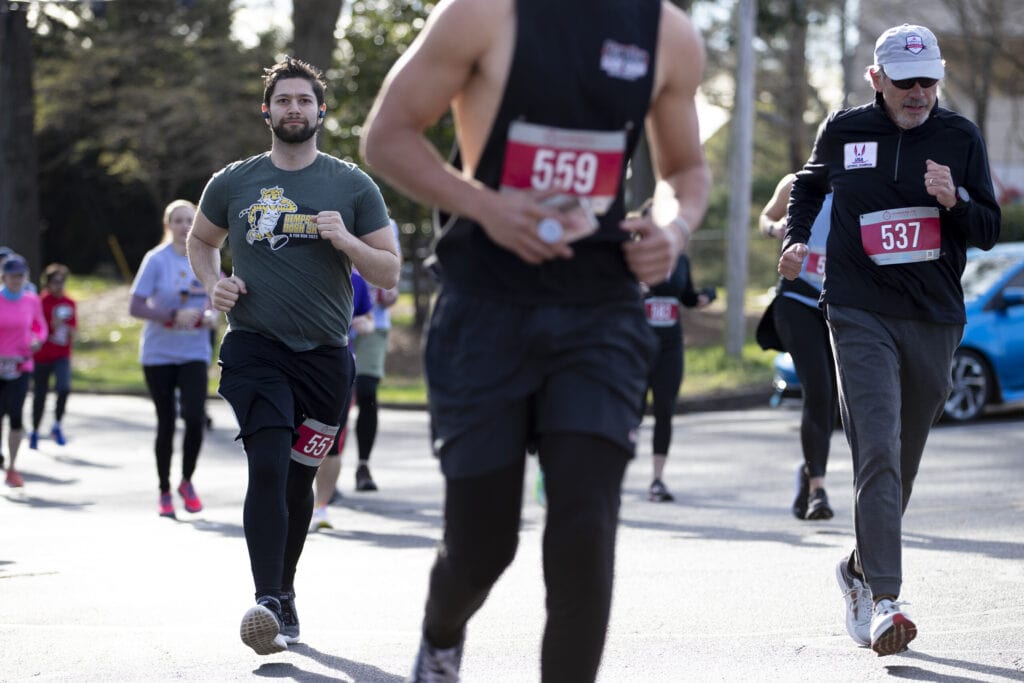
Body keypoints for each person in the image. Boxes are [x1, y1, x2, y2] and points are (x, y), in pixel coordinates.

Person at [361, 2, 711, 679]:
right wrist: (487, 206)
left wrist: (672, 229)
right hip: (485, 309)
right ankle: (440, 633)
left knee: (585, 532)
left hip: (601, 314)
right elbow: (389, 136)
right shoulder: (482, 13)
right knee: (483, 545)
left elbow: (685, 173)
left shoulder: (667, 33)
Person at [779, 24, 1000, 657]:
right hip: (857, 310)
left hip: (933, 316)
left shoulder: (960, 137)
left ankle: (856, 566)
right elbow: (809, 184)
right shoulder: (845, 130)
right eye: (905, 82)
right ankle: (885, 599)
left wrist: (953, 198)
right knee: (874, 447)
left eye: (929, 80)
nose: (919, 93)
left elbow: (986, 227)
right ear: (877, 79)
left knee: (901, 460)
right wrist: (796, 238)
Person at [186, 57, 399, 656]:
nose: (294, 109)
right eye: (284, 101)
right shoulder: (232, 182)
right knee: (270, 463)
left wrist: (347, 240)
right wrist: (213, 283)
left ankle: (286, 590)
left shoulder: (352, 185)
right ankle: (268, 598)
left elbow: (388, 271)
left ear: (321, 110)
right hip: (255, 347)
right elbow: (201, 241)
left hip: (328, 359)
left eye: (305, 101)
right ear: (267, 111)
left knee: (301, 480)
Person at [130, 199, 218, 519]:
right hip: (159, 355)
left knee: (195, 418)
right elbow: (136, 306)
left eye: (189, 220)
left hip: (194, 352)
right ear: (168, 226)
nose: (184, 226)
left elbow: (217, 298)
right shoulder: (156, 260)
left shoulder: (207, 257)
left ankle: (187, 481)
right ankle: (164, 490)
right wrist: (171, 313)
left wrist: (211, 315)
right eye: (178, 221)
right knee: (166, 422)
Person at [758, 175, 837, 520]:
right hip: (796, 297)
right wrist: (775, 228)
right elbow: (765, 217)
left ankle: (808, 472)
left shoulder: (860, 181)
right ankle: (819, 489)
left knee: (833, 398)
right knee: (818, 390)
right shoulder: (797, 182)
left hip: (838, 301)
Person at [643, 252, 714, 502]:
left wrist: (705, 296)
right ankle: (611, 475)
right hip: (636, 346)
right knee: (629, 410)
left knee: (665, 409)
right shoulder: (633, 253)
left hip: (670, 348)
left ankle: (657, 479)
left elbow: (687, 296)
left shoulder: (681, 260)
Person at [309, 269, 375, 532]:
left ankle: (320, 507)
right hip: (296, 364)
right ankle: (293, 501)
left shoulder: (355, 279)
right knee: (292, 437)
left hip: (338, 368)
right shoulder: (302, 267)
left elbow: (369, 318)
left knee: (330, 442)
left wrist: (364, 325)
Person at [350, 219, 402, 492]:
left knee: (367, 390)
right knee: (333, 398)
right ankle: (324, 466)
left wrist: (388, 294)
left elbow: (393, 277)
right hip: (336, 321)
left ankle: (363, 464)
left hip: (374, 324)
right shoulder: (335, 212)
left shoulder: (386, 224)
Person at [0, 255, 47, 488]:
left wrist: (38, 339)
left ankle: (12, 466)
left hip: (21, 363)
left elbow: (40, 326)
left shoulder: (31, 300)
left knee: (16, 415)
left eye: (20, 275)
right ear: (4, 276)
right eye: (12, 275)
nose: (16, 280)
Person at [30, 263, 78, 450]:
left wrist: (65, 328)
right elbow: (33, 327)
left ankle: (57, 425)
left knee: (64, 388)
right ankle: (34, 430)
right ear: (48, 283)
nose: (59, 285)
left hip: (62, 354)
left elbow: (75, 332)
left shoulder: (69, 303)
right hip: (42, 355)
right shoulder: (39, 302)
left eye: (62, 281)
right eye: (56, 282)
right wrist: (50, 325)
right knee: (40, 395)